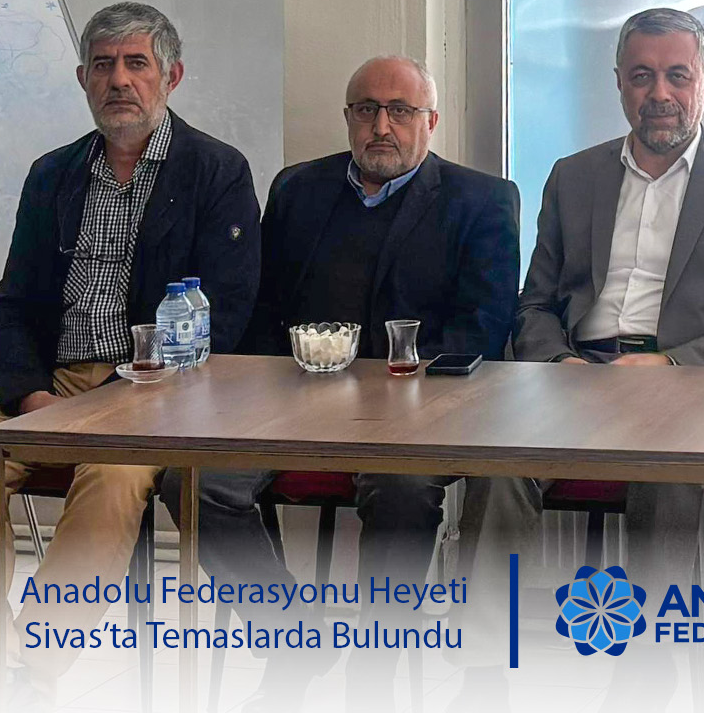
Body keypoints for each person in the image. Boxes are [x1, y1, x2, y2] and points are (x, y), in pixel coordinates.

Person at [0, 3, 261, 709]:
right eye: (103, 66)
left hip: (152, 390)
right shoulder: (53, 174)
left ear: (171, 77)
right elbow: (11, 304)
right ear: (82, 79)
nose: (119, 81)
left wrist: (134, 393)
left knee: (113, 473)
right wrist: (32, 398)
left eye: (137, 64)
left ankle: (28, 672)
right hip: (55, 382)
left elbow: (226, 310)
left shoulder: (215, 171)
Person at [458, 7, 704, 706]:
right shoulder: (573, 177)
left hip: (684, 388)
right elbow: (533, 305)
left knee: (667, 466)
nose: (660, 93)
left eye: (678, 76)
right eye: (642, 76)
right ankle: (485, 671)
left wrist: (671, 368)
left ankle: (647, 670)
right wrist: (560, 366)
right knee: (497, 462)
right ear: (619, 83)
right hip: (575, 381)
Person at [160, 54, 519, 708]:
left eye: (400, 111)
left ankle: (373, 672)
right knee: (193, 481)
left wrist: (393, 389)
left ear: (431, 121)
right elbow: (262, 307)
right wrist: (258, 392)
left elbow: (482, 333)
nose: (381, 126)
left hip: (416, 412)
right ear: (348, 117)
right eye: (366, 110)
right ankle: (291, 634)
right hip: (292, 401)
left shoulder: (482, 200)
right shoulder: (298, 189)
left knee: (401, 487)